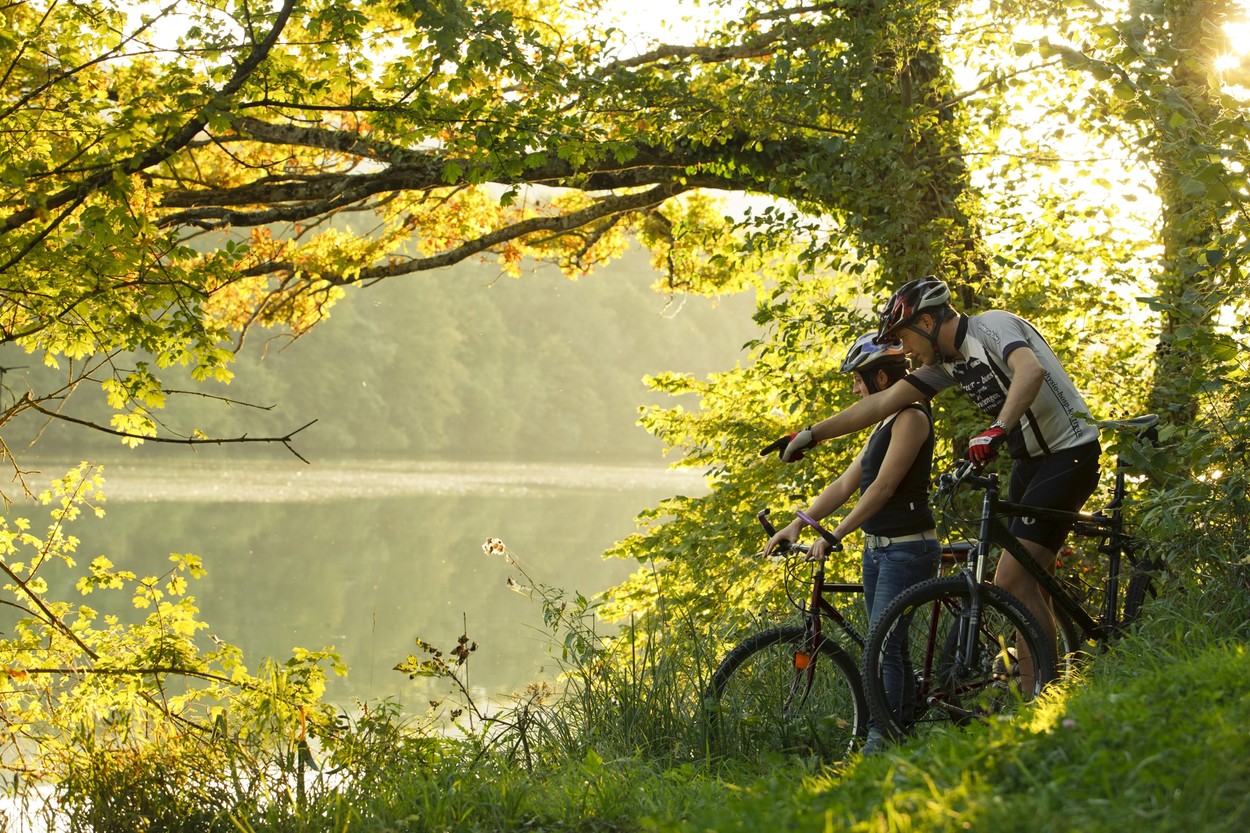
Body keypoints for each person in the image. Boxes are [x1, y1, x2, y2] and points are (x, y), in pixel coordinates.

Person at [763, 276, 1101, 689]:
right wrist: (810, 435)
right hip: (1027, 464)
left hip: (1069, 454)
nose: (904, 350)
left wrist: (997, 428)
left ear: (927, 321)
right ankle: (1046, 691)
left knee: (1011, 581)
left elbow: (1029, 371)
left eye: (905, 337)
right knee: (1031, 584)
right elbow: (881, 404)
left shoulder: (991, 326)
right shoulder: (946, 366)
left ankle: (1038, 690)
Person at [761, 333, 939, 756]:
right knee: (889, 645)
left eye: (858, 381)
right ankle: (901, 729)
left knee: (883, 647)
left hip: (907, 549)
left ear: (881, 378)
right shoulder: (884, 421)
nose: (856, 390)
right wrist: (798, 524)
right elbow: (846, 484)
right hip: (880, 550)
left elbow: (883, 487)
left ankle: (882, 738)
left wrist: (834, 534)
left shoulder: (912, 416)